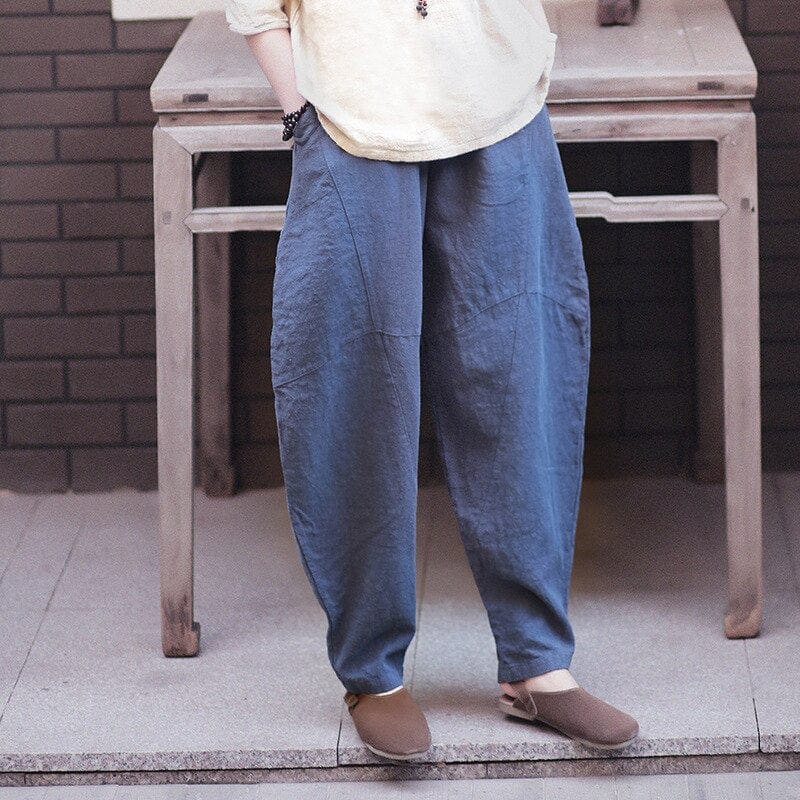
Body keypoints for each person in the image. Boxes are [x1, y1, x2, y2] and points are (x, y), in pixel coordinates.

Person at [226, 0, 640, 760]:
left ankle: (538, 663)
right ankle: (372, 671)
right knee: (355, 390)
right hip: (350, 117)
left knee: (520, 377)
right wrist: (299, 109)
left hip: (499, 108)